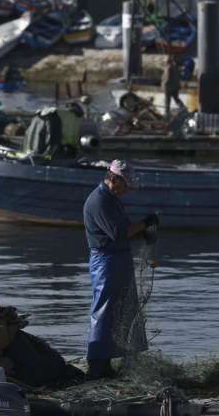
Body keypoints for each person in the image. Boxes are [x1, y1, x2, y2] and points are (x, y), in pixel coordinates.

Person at [83, 160, 155, 379]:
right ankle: (97, 363)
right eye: (125, 186)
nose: (126, 191)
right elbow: (119, 232)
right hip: (105, 262)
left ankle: (118, 359)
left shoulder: (112, 199)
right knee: (104, 311)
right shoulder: (99, 201)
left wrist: (141, 232)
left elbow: (124, 229)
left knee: (125, 309)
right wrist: (145, 223)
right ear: (113, 179)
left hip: (118, 260)